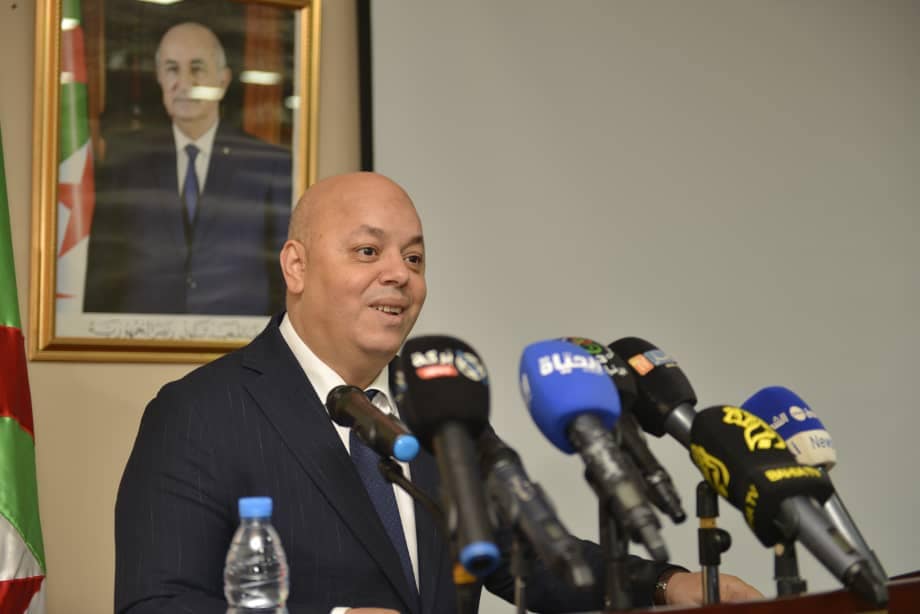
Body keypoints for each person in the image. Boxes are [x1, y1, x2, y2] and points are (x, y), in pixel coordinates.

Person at [114, 172, 762, 613]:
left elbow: (526, 560)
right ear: (297, 266)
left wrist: (666, 585)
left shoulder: (439, 410)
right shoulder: (200, 413)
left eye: (415, 258)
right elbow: (157, 602)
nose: (399, 274)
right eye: (368, 252)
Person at [84, 21, 291, 316]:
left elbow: (283, 275)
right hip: (140, 337)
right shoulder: (126, 162)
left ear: (223, 80)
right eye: (172, 69)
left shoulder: (268, 164)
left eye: (197, 68)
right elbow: (103, 267)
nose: (184, 82)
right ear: (159, 77)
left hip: (239, 338)